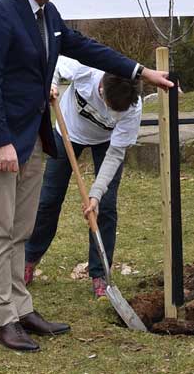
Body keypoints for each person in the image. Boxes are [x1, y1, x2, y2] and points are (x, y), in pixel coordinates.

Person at [0, 0, 173, 352]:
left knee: (21, 229)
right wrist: (0, 143)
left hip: (31, 138)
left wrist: (141, 71)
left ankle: (21, 306)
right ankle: (3, 319)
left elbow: (85, 48)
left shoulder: (47, 14)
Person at [24, 56, 143, 298]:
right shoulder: (88, 69)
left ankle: (100, 273)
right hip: (67, 131)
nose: (111, 113)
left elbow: (115, 154)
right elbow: (53, 64)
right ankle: (28, 259)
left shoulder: (132, 107)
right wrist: (52, 84)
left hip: (105, 144)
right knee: (48, 200)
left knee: (106, 207)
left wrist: (96, 195)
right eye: (109, 106)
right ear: (101, 88)